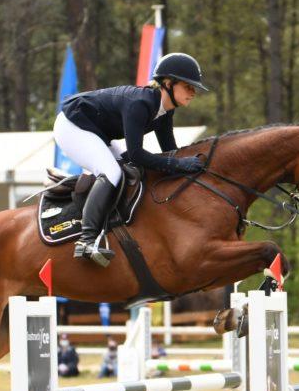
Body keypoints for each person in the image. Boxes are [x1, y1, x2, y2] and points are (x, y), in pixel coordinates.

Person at [53, 53, 208, 267]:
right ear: (169, 83)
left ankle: (111, 227)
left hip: (95, 130)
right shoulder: (140, 104)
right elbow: (137, 154)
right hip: (72, 126)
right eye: (189, 86)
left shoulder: (165, 112)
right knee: (112, 172)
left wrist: (196, 169)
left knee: (128, 170)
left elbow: (171, 153)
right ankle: (86, 240)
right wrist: (180, 164)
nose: (193, 92)